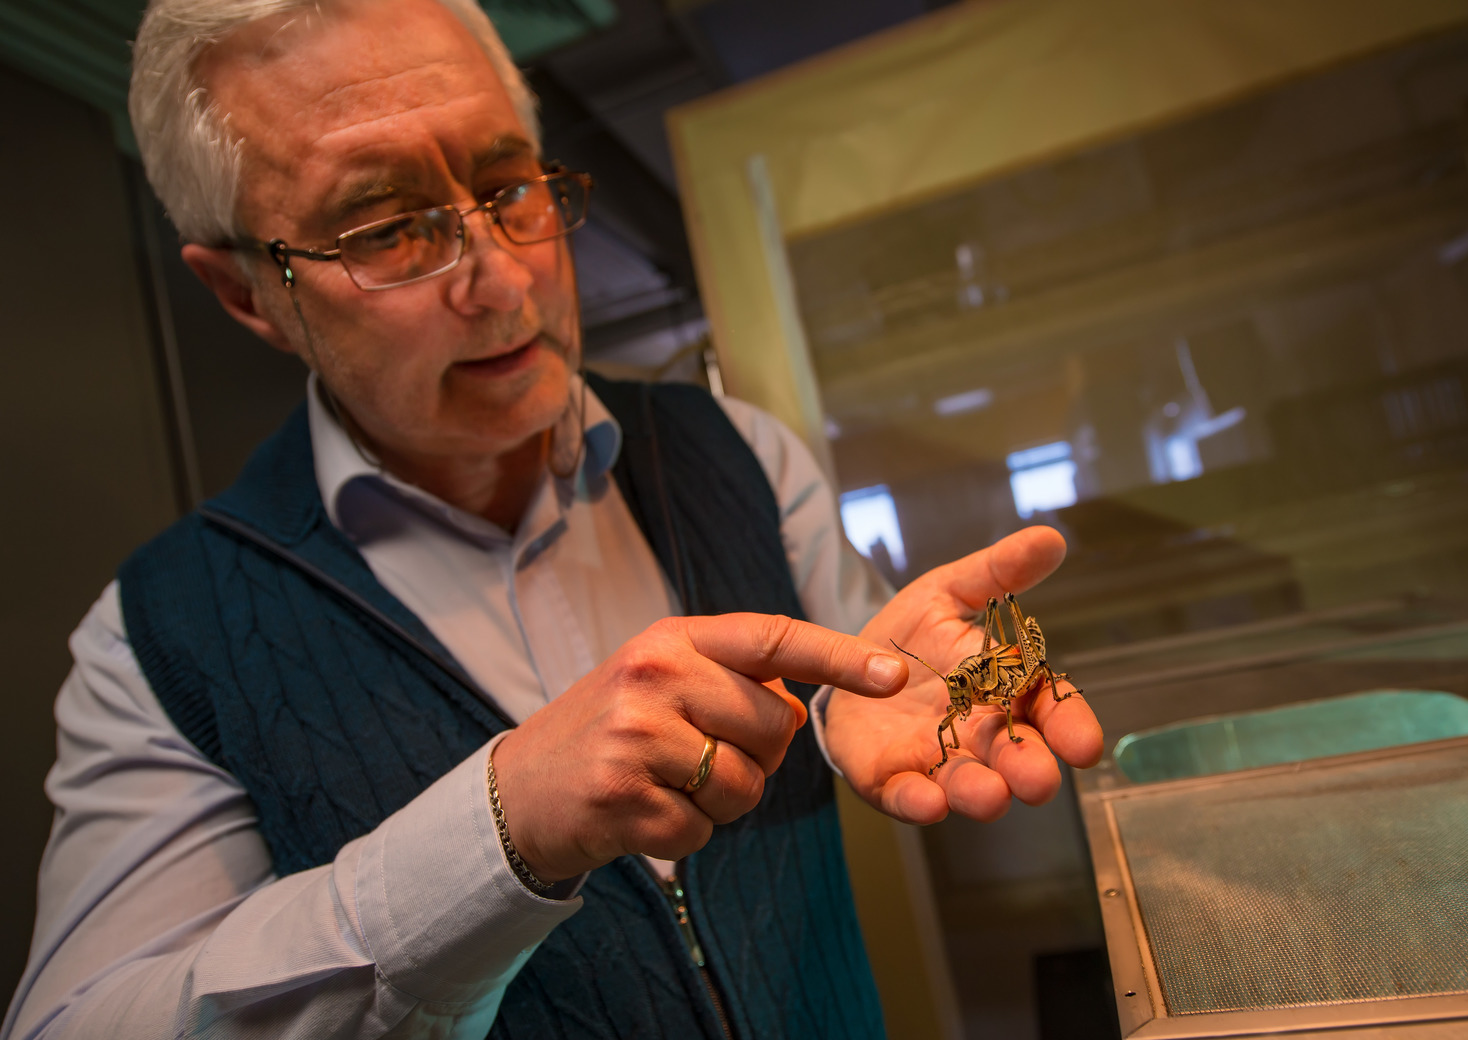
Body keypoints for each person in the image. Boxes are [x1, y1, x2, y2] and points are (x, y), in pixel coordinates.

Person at [2, 0, 1103, 1036]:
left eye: (508, 185)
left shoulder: (737, 452)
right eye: (385, 228)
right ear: (249, 295)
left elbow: (851, 691)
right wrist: (499, 828)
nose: (500, 281)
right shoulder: (157, 638)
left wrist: (880, 691)